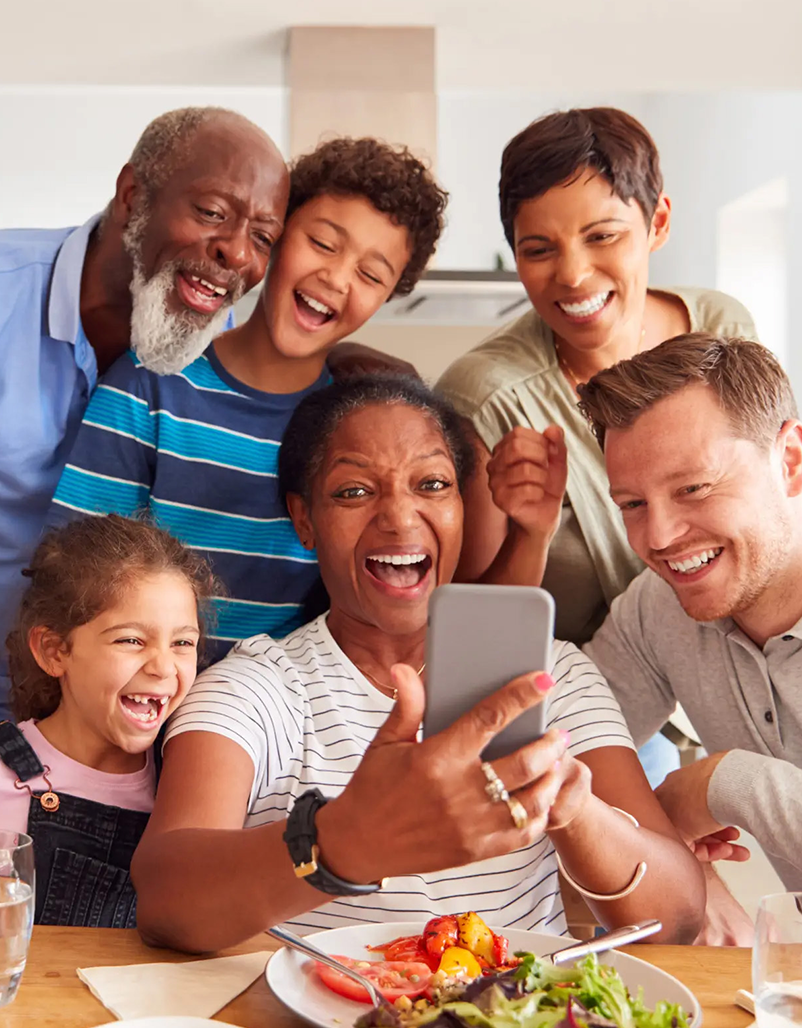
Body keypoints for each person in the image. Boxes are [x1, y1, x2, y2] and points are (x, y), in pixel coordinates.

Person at [132, 375, 705, 954]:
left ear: (462, 506)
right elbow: (164, 899)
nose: (400, 518)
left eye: (432, 484)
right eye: (354, 492)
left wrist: (575, 810)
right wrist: (350, 842)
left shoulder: (553, 677)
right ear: (304, 519)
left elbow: (678, 916)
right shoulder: (257, 686)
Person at [436, 107, 757, 785]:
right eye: (539, 248)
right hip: (590, 710)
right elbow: (475, 633)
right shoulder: (490, 397)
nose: (574, 276)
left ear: (658, 223)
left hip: (743, 673)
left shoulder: (724, 330)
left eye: (602, 235)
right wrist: (532, 530)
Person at [48, 139, 448, 663]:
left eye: (372, 275)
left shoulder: (352, 426)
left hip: (283, 714)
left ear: (389, 295)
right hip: (142, 702)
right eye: (323, 244)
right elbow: (71, 572)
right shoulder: (152, 385)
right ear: (276, 237)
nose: (336, 277)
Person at [0, 105, 288, 720]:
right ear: (133, 194)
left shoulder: (216, 354)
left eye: (262, 237)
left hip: (72, 720)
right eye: (212, 213)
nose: (237, 254)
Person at [576, 333, 802, 945]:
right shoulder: (658, 609)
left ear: (789, 460)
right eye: (631, 503)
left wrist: (724, 783)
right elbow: (567, 750)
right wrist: (683, 878)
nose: (661, 536)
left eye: (693, 488)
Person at [0, 514, 215, 927]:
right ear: (54, 651)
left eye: (182, 643)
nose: (163, 666)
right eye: (131, 640)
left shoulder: (187, 788)